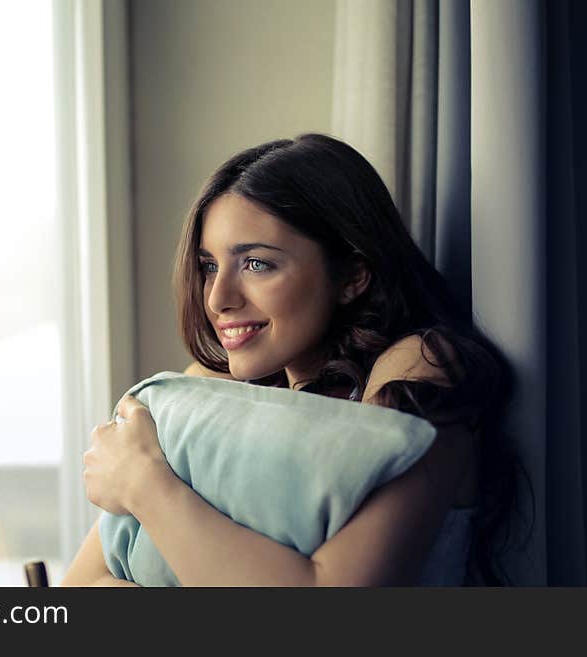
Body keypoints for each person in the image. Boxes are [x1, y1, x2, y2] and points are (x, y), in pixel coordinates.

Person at [61, 133, 526, 587]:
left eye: (257, 264)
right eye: (209, 266)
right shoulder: (212, 390)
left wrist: (144, 483)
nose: (218, 298)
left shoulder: (418, 365)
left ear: (352, 275)